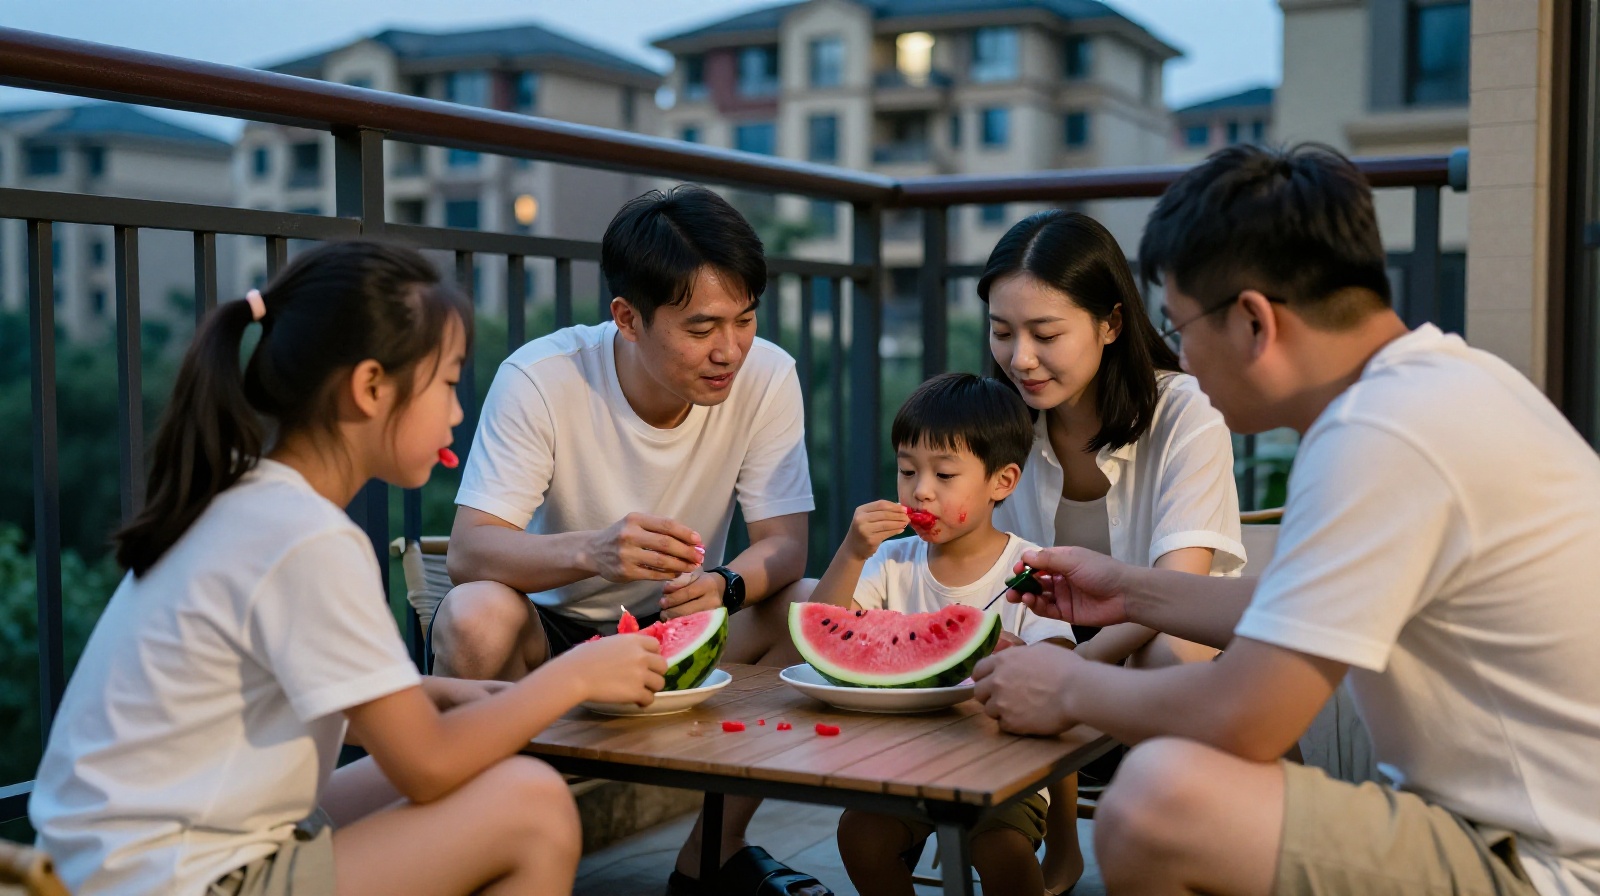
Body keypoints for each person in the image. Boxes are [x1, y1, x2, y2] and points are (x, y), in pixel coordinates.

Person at [976, 144, 1600, 895]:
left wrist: (1066, 686)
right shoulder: (1435, 388)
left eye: (1180, 325)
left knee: (1157, 803)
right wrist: (1130, 589)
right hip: (1522, 829)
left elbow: (1250, 716)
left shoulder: (1383, 434)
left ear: (1253, 322)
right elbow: (1294, 610)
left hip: (1543, 860)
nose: (1178, 355)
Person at [30, 242, 667, 896]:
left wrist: (440, 694)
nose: (456, 411)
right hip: (175, 881)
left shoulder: (249, 501)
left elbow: (291, 690)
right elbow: (426, 766)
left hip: (113, 867)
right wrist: (572, 675)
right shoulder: (307, 538)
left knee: (485, 755)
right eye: (447, 382)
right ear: (369, 388)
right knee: (532, 806)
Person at [432, 186, 826, 896]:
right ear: (628, 318)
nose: (729, 350)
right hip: (550, 635)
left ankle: (711, 859)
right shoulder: (542, 378)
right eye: (701, 327)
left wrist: (727, 585)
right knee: (473, 614)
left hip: (686, 623)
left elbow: (783, 546)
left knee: (809, 606)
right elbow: (470, 551)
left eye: (745, 318)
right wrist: (593, 551)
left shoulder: (767, 375)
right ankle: (475, 846)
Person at [982, 209, 1246, 891]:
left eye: (1045, 334)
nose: (1020, 358)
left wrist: (1068, 678)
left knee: (1166, 655)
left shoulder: (1186, 410)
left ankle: (1197, 846)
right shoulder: (998, 426)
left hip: (1176, 638)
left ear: (1110, 323)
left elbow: (1176, 590)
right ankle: (1045, 836)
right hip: (1050, 640)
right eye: (1002, 332)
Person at [810, 372, 1077, 896]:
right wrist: (851, 551)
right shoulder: (891, 561)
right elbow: (824, 625)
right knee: (859, 836)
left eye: (944, 474)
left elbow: (1062, 662)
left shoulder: (1028, 570)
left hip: (1004, 765)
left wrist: (1022, 658)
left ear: (1002, 482)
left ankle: (1055, 848)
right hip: (900, 760)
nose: (920, 490)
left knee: (999, 851)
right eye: (907, 470)